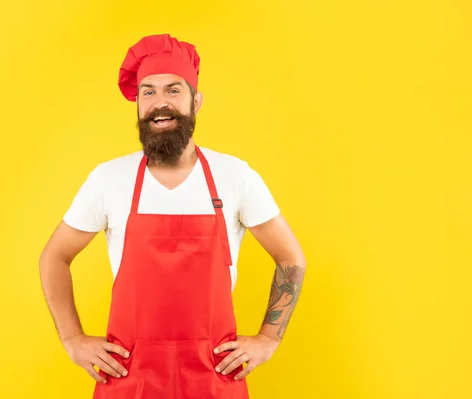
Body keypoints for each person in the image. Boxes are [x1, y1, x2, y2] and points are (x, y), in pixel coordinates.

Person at [39, 33, 306, 399]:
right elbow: (55, 256)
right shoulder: (108, 178)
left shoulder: (235, 176)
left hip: (214, 376)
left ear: (196, 100)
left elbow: (291, 258)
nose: (159, 103)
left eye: (172, 90)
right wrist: (72, 338)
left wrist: (267, 339)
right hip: (129, 376)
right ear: (137, 104)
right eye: (148, 92)